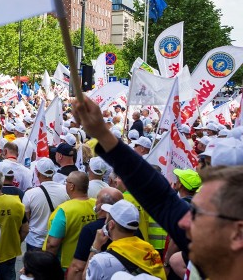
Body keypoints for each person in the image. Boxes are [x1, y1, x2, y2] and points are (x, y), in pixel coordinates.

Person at [70, 97, 243, 280]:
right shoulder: (215, 245)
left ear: (237, 234)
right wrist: (102, 133)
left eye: (198, 213)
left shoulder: (211, 244)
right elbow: (161, 198)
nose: (184, 222)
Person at [85, 200, 165, 279]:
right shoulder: (151, 251)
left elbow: (85, 277)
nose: (105, 221)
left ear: (111, 225)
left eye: (106, 218)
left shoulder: (100, 261)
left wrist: (95, 247)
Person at [68, 187, 123, 280]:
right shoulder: (133, 229)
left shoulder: (90, 230)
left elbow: (78, 267)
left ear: (101, 205)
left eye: (97, 199)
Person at [43, 171, 96, 270]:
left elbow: (52, 244)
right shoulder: (97, 205)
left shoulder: (64, 210)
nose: (65, 185)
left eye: (66, 182)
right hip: (91, 262)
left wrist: (48, 266)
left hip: (66, 266)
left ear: (72, 186)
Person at [0, 169, 27, 280]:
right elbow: (25, 229)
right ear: (2, 183)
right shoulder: (16, 203)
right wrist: (16, 241)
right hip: (9, 253)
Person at [22, 158, 69, 252]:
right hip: (57, 240)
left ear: (37, 173)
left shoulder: (30, 194)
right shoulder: (66, 190)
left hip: (35, 241)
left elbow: (26, 218)